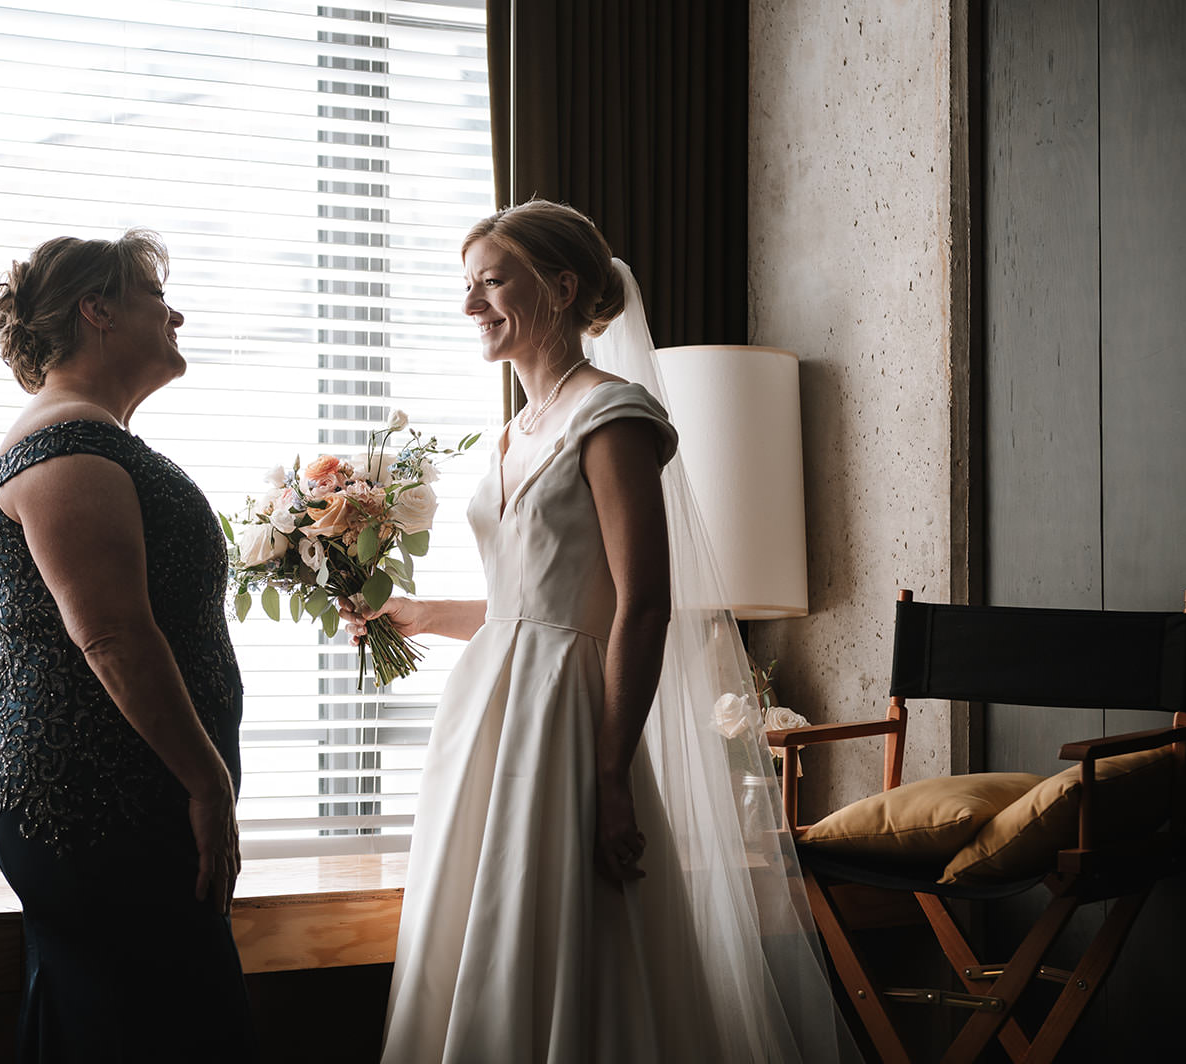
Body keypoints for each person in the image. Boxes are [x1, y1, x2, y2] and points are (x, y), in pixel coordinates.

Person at [346, 200, 855, 1062]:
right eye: (465, 287)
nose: (471, 305)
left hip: (568, 724)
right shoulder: (510, 434)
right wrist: (423, 615)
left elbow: (639, 603)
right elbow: (531, 604)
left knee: (566, 928)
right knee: (486, 923)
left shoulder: (611, 415)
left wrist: (611, 771)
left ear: (560, 286)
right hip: (487, 721)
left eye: (491, 283)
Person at [0, 229, 256, 1063]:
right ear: (96, 311)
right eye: (152, 296)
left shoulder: (93, 438)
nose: (176, 313)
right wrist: (208, 783)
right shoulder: (66, 445)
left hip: (128, 801)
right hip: (99, 809)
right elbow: (110, 636)